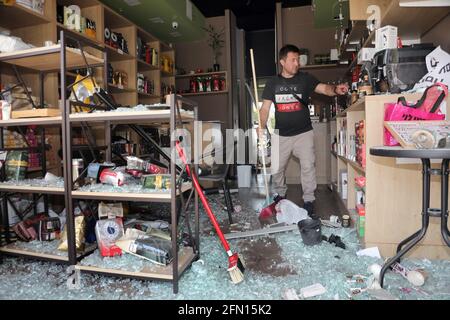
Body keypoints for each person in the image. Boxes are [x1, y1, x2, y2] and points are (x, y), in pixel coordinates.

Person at [260, 44, 348, 217]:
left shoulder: (305, 79)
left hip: (303, 133)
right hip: (281, 134)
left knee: (308, 167)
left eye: (298, 59)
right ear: (282, 62)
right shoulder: (272, 83)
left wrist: (336, 90)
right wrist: (261, 128)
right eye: (293, 60)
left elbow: (324, 89)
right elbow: (264, 109)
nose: (297, 63)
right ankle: (280, 194)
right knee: (276, 168)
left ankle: (309, 200)